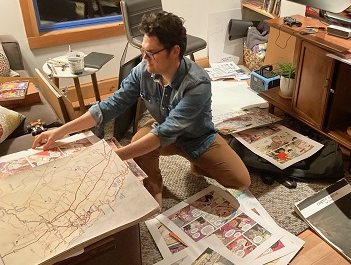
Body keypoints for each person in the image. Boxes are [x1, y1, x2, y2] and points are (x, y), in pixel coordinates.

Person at [33, 11, 251, 205]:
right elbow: (110, 106)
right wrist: (61, 130)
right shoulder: (142, 70)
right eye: (143, 51)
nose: (144, 58)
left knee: (241, 181)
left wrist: (114, 156)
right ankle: (154, 187)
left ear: (175, 51)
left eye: (151, 53)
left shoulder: (198, 83)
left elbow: (167, 133)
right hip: (160, 126)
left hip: (197, 137)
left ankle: (198, 164)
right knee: (138, 143)